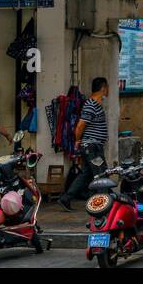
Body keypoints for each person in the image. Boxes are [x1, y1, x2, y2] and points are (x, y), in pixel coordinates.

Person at [59, 77, 110, 210]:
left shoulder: (95, 104)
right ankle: (104, 205)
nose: (108, 90)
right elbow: (80, 125)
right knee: (101, 174)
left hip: (93, 146)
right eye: (107, 87)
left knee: (86, 174)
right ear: (103, 88)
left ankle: (66, 198)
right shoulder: (91, 104)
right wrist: (77, 141)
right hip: (92, 147)